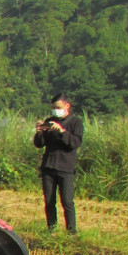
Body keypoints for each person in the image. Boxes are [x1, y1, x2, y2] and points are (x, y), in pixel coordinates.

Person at [34, 93, 82, 234]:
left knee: (67, 201)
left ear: (67, 106)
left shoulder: (75, 123)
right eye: (53, 108)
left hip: (66, 167)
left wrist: (62, 131)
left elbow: (75, 143)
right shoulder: (50, 121)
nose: (56, 110)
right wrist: (39, 132)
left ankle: (71, 231)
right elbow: (39, 144)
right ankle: (51, 229)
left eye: (58, 107)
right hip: (49, 166)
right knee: (49, 201)